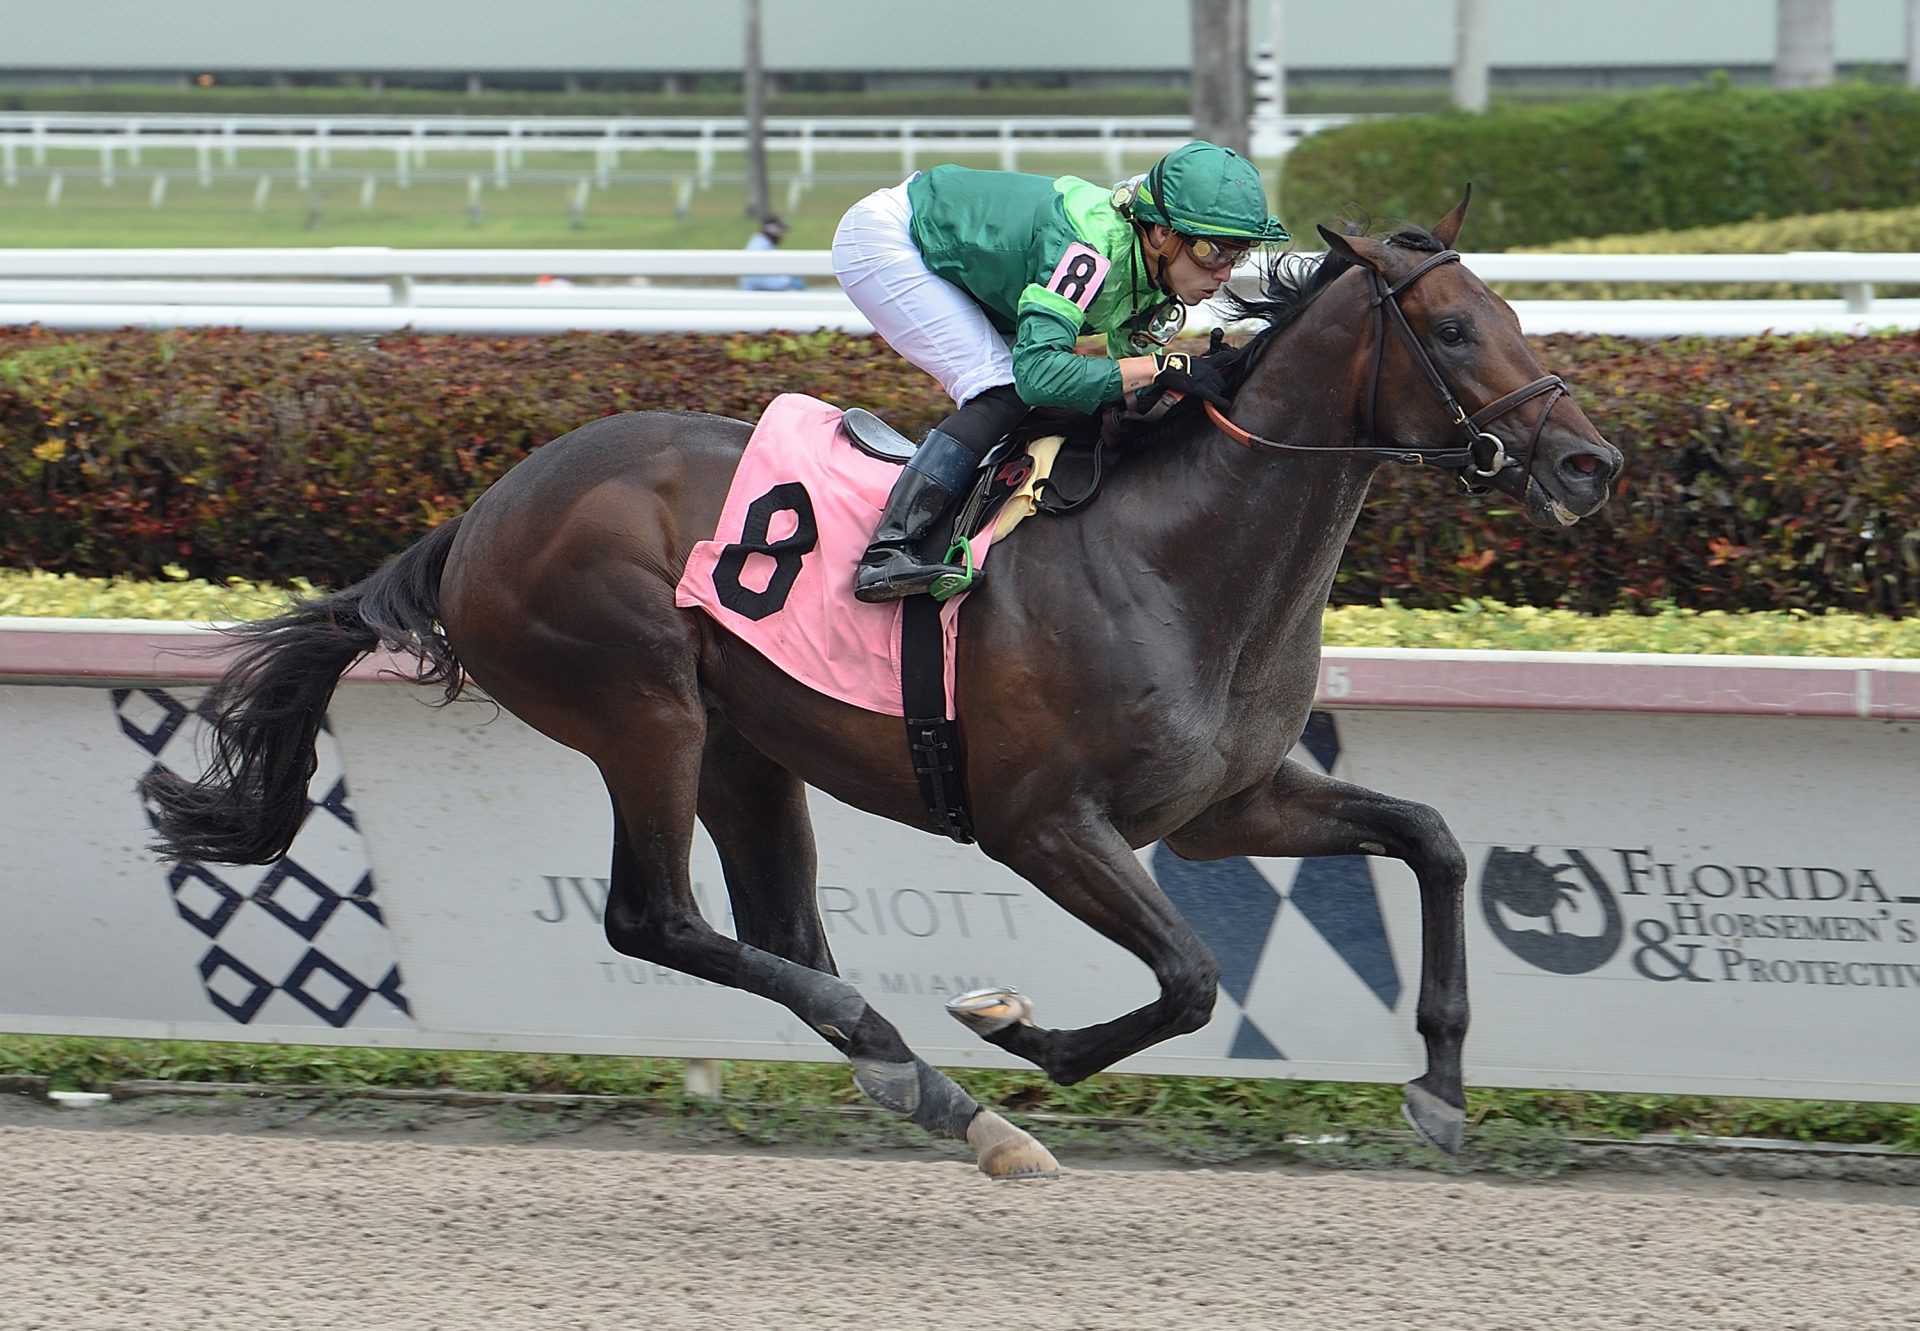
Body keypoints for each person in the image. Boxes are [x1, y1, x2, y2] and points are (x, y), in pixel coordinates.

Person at [831, 140, 1289, 603]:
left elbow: (1126, 385)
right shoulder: (1088, 250)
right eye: (1213, 251)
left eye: (1240, 253)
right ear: (1160, 234)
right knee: (1003, 390)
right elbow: (1038, 374)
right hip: (891, 238)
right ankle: (887, 552)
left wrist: (1171, 382)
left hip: (968, 263)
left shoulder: (1154, 271)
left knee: (1054, 404)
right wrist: (1156, 367)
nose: (1225, 273)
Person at [740, 215, 807, 292]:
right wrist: (788, 281)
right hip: (757, 293)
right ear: (771, 229)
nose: (782, 234)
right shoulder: (759, 246)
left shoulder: (761, 243)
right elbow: (758, 279)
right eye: (780, 230)